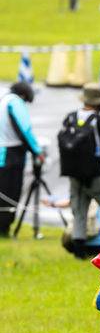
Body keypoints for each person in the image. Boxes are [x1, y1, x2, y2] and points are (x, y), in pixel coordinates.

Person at [65, 83, 100, 259]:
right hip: (96, 177)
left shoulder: (70, 118)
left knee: (80, 213)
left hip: (75, 175)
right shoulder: (99, 120)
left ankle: (79, 254)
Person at [0, 82, 44, 237]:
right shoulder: (15, 101)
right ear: (23, 96)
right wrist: (37, 151)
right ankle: (4, 230)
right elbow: (25, 128)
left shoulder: (2, 96)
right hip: (10, 155)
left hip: (3, 152)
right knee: (9, 193)